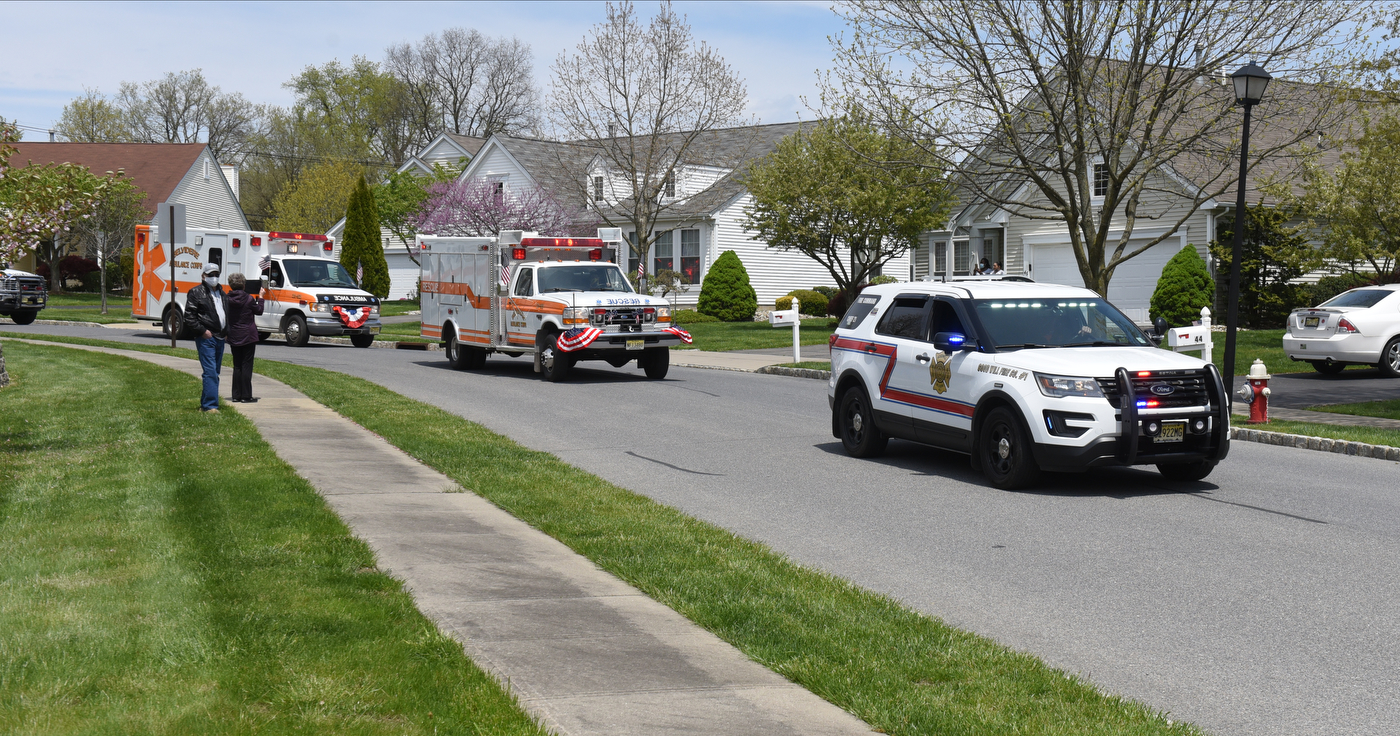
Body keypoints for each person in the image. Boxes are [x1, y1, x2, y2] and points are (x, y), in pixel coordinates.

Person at [185, 263, 229, 413]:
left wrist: (226, 330)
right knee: (210, 372)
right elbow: (189, 317)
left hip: (220, 337)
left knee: (214, 372)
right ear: (203, 276)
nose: (214, 277)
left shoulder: (222, 294)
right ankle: (211, 406)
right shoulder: (196, 292)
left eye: (216, 274)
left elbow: (226, 314)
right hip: (206, 338)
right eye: (211, 275)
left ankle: (205, 404)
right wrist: (203, 331)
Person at [224, 273, 264, 403]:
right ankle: (246, 395)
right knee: (246, 365)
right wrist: (261, 297)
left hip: (234, 333)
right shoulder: (248, 299)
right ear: (243, 285)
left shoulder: (226, 299)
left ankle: (236, 395)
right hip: (248, 335)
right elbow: (259, 310)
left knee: (237, 365)